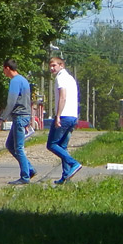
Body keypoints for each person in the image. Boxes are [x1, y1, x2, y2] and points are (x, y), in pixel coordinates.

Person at [47, 56, 83, 184]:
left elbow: (63, 97)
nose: (52, 68)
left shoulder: (61, 77)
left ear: (61, 66)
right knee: (62, 146)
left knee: (52, 144)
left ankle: (74, 163)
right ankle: (66, 176)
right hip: (72, 116)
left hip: (64, 116)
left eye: (54, 65)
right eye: (50, 66)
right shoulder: (71, 78)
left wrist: (57, 116)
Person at [1, 58, 36, 185]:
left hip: (20, 116)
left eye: (3, 70)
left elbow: (11, 101)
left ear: (7, 68)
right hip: (24, 115)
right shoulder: (24, 80)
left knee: (18, 148)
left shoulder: (15, 81)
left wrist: (3, 117)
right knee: (10, 145)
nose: (4, 73)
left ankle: (25, 176)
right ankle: (30, 169)